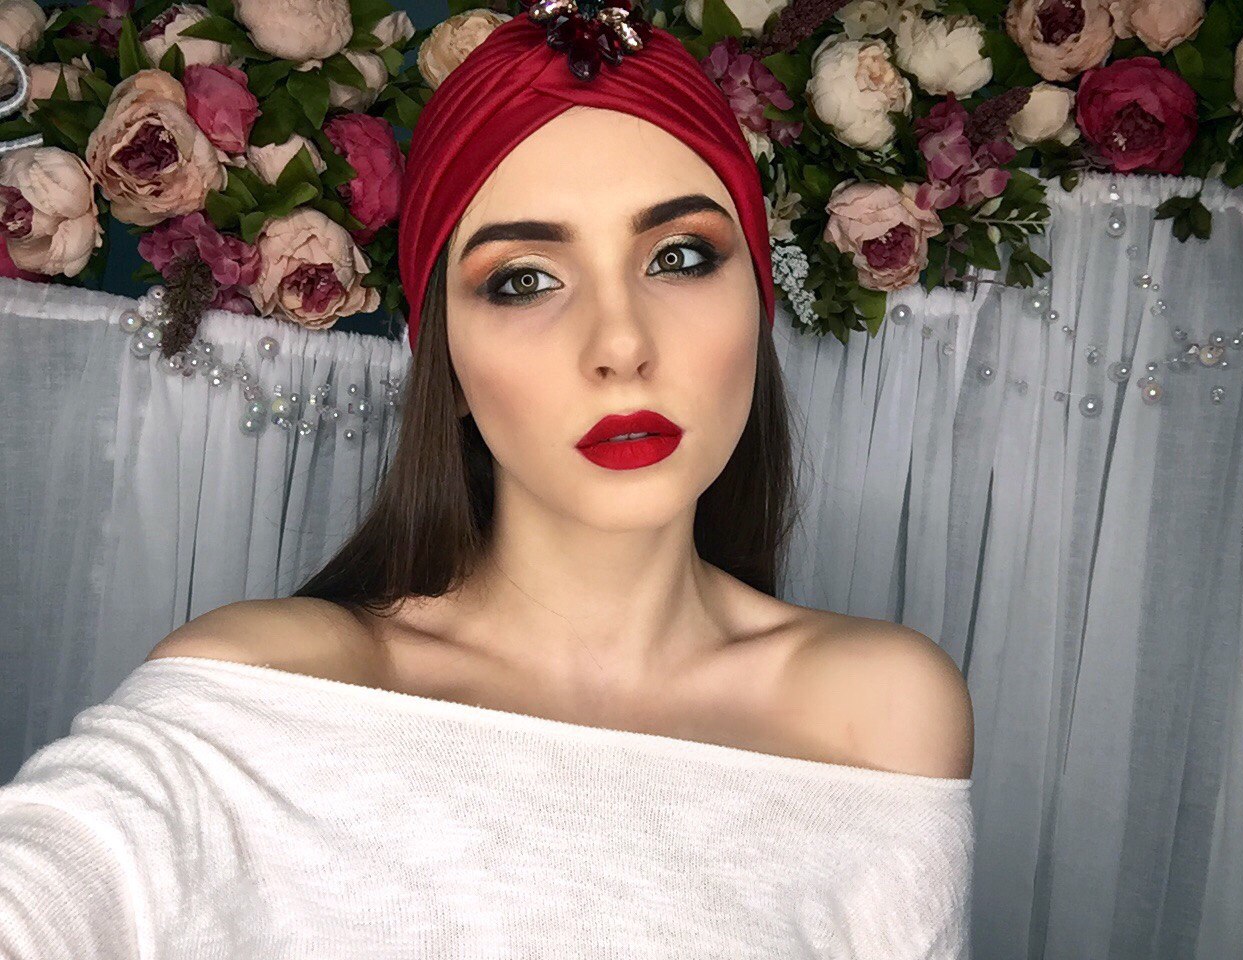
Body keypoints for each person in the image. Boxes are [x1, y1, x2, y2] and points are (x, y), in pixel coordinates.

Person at [0, 6, 976, 957]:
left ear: (756, 301)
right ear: (448, 361)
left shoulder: (877, 713)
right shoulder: (260, 696)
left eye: (679, 257)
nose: (620, 343)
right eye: (523, 280)